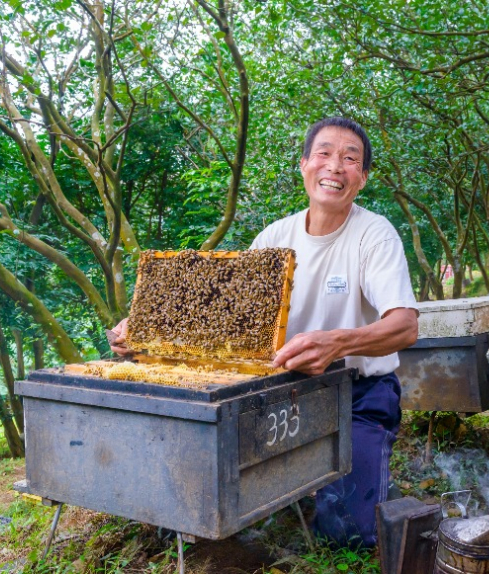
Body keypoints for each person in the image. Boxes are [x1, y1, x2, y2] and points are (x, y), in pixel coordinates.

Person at [110, 117, 418, 548]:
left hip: (358, 394)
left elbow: (404, 326)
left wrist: (338, 342)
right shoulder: (274, 237)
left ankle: (351, 489)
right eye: (325, 153)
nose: (336, 166)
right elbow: (228, 322)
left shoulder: (375, 234)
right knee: (212, 500)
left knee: (347, 535)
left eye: (351, 160)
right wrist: (144, 331)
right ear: (305, 164)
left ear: (362, 178)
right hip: (278, 393)